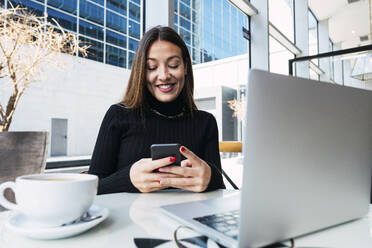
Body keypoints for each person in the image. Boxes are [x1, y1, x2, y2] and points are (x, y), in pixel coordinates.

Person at [88, 26, 225, 194]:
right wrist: (128, 178)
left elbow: (219, 190)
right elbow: (92, 189)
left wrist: (209, 177)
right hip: (132, 219)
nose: (164, 75)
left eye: (174, 65)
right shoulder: (118, 115)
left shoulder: (206, 122)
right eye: (152, 67)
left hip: (188, 218)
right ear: (141, 72)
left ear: (186, 68)